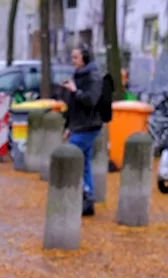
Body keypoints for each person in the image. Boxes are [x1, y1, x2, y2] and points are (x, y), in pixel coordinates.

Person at [59, 45, 104, 217]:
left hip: (89, 124)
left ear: (84, 58)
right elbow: (73, 106)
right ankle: (87, 197)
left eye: (75, 57)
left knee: (72, 156)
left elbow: (90, 100)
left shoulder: (93, 77)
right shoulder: (77, 75)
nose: (73, 61)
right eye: (72, 57)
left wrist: (75, 91)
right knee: (84, 162)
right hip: (80, 124)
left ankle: (78, 194)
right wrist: (68, 126)